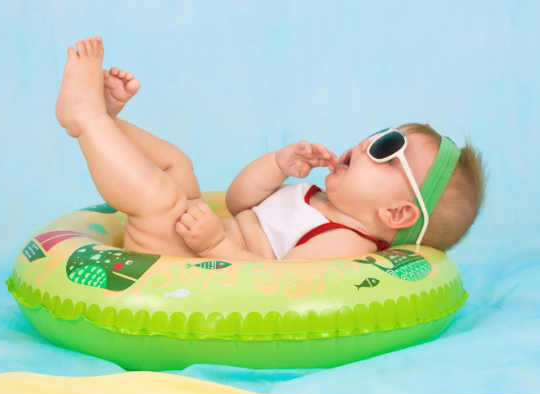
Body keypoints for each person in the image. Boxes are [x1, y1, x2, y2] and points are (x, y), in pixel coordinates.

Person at [56, 36, 486, 261]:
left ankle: (86, 119)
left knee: (162, 198)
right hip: (201, 233)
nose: (366, 142)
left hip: (188, 257)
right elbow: (239, 201)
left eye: (386, 149)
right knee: (178, 165)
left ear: (397, 214)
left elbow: (276, 283)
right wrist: (278, 164)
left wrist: (214, 246)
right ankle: (108, 119)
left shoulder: (344, 243)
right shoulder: (315, 198)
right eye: (379, 133)